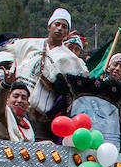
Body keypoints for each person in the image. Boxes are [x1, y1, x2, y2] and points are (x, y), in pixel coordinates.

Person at [9, 8, 87, 138]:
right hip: (16, 107)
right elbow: (14, 68)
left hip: (41, 116)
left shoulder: (71, 60)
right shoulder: (29, 45)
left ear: (67, 33)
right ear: (49, 26)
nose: (60, 28)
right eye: (57, 24)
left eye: (64, 26)